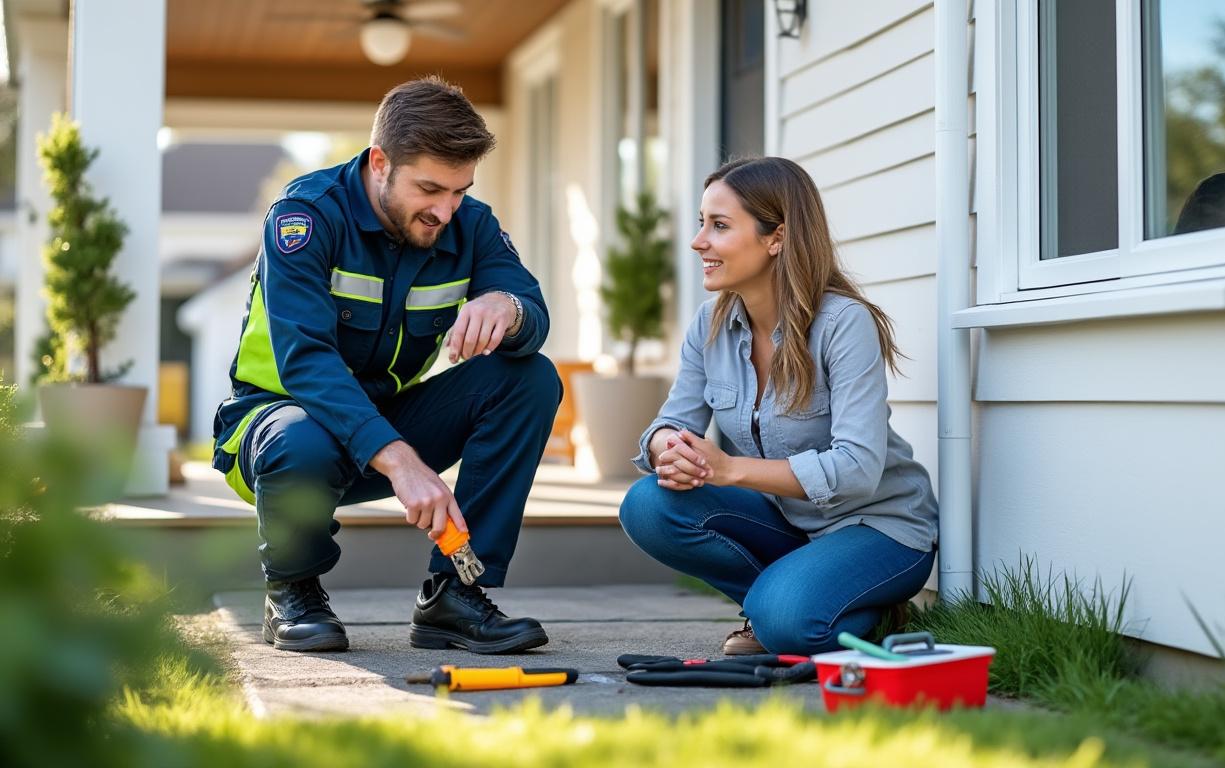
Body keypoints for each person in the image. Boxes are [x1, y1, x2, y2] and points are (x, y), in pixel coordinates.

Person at [212, 77, 561, 654]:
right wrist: (401, 462)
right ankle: (292, 591)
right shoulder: (305, 218)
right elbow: (307, 363)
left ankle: (455, 594)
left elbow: (535, 315)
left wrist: (510, 306)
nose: (446, 210)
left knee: (529, 379)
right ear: (380, 162)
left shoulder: (469, 224)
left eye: (459, 190)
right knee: (304, 437)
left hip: (382, 421)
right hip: (276, 428)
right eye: (430, 188)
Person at [619, 157, 939, 657]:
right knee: (648, 505)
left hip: (878, 528)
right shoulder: (709, 325)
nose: (698, 241)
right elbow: (671, 423)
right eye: (701, 223)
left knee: (787, 625)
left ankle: (822, 607)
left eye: (719, 226)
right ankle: (795, 601)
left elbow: (857, 469)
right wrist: (671, 450)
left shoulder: (843, 324)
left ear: (777, 238)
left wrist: (727, 470)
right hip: (790, 524)